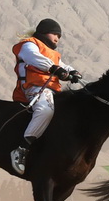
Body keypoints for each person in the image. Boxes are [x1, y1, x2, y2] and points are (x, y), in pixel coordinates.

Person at [9, 18, 82, 175]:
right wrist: (53, 68)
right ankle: (22, 149)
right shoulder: (29, 44)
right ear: (43, 32)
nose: (57, 38)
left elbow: (63, 66)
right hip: (34, 89)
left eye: (59, 36)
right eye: (55, 34)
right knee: (45, 110)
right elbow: (33, 58)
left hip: (51, 90)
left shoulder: (54, 54)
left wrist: (72, 71)